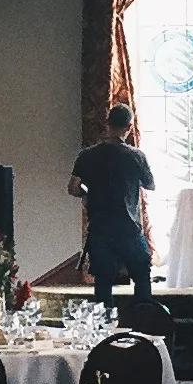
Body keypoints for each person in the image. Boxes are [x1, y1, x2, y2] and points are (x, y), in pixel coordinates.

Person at [70, 102, 156, 310]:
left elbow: (73, 187)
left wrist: (88, 191)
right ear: (129, 127)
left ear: (107, 124)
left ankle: (104, 324)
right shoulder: (136, 156)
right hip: (129, 228)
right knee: (142, 276)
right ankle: (143, 319)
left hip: (100, 228)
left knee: (103, 284)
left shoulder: (87, 155)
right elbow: (150, 185)